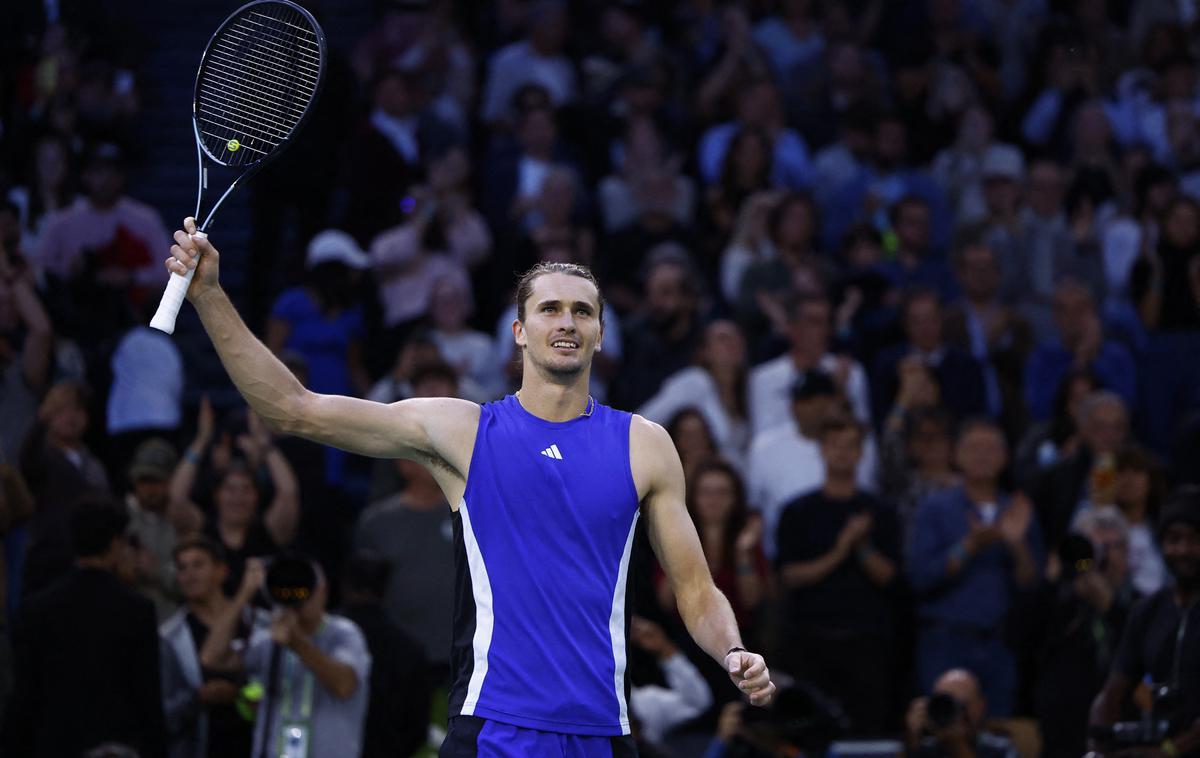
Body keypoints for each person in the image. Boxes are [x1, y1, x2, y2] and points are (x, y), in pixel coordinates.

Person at [164, 228, 776, 754]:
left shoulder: (644, 444)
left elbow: (696, 590)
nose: (566, 322)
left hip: (602, 730)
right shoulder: (464, 431)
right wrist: (211, 296)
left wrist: (732, 651)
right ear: (518, 330)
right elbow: (295, 409)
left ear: (599, 334)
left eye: (583, 312)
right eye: (550, 309)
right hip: (494, 730)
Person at [2, 500, 167, 758]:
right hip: (116, 745)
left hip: (52, 745)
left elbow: (23, 695)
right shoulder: (136, 609)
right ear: (115, 544)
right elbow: (147, 696)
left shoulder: (37, 608)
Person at [908, 419, 1043, 717]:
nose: (982, 455)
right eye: (974, 448)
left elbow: (1031, 583)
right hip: (946, 640)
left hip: (999, 644)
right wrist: (969, 545)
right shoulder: (935, 507)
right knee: (943, 729)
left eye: (991, 448)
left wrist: (1016, 544)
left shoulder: (1017, 509)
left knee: (997, 731)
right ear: (957, 455)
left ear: (1006, 457)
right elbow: (921, 578)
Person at [774, 414, 900, 734]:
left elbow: (890, 578)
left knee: (867, 734)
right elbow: (790, 577)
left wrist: (863, 547)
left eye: (850, 446)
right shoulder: (798, 511)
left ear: (861, 453)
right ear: (822, 450)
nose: (842, 453)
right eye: (834, 445)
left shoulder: (881, 512)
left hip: (867, 644)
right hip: (811, 642)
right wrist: (841, 550)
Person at [205, 556, 371, 758]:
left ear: (323, 591)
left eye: (304, 588)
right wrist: (244, 593)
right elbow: (211, 657)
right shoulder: (267, 639)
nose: (299, 596)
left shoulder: (343, 633)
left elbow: (345, 685)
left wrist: (296, 643)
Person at [1089, 488, 1200, 757]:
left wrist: (1168, 751)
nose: (1183, 549)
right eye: (1174, 539)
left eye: (1195, 540)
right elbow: (1113, 692)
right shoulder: (1149, 610)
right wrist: (1100, 749)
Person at [160, 537, 264, 758]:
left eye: (198, 565)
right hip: (200, 747)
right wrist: (198, 698)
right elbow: (162, 711)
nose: (189, 575)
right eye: (182, 568)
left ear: (221, 571)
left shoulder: (260, 624)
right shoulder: (168, 638)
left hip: (255, 744)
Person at [337, 552, 431, 758]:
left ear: (344, 585)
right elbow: (417, 728)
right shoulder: (410, 649)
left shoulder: (319, 641)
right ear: (387, 589)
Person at [905, 669, 1018, 758]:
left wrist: (957, 745)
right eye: (945, 704)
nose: (955, 713)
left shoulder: (1000, 749)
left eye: (963, 704)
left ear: (981, 706)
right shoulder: (924, 747)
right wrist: (910, 741)